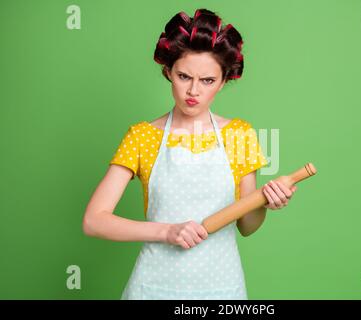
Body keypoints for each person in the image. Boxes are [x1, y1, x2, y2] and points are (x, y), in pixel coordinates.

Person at [82, 8, 298, 300]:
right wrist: (166, 232)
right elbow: (94, 220)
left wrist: (265, 202)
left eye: (208, 81)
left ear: (223, 81)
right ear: (169, 72)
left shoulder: (240, 135)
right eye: (184, 76)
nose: (193, 91)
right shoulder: (142, 136)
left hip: (222, 288)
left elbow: (247, 226)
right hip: (153, 287)